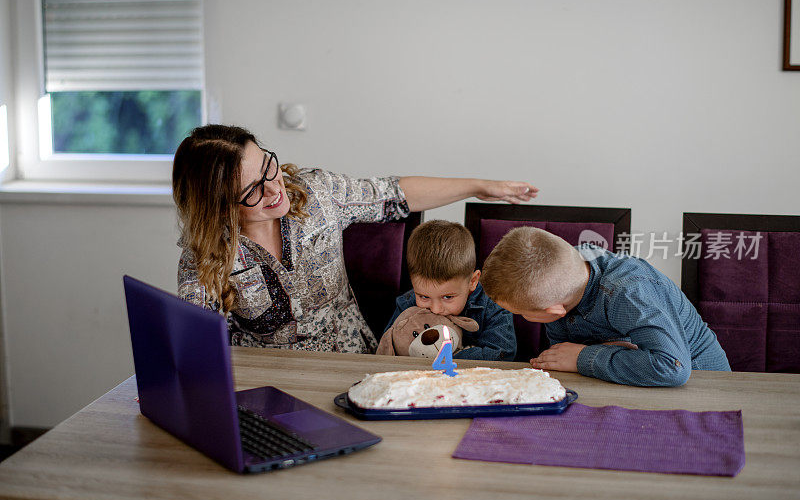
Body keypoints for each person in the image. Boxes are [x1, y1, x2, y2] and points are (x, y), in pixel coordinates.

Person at [172, 124, 537, 352]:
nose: (274, 189)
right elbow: (196, 343)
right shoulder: (207, 256)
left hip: (349, 363)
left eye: (269, 166)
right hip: (268, 377)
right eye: (253, 190)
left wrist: (478, 186)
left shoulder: (316, 193)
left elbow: (395, 194)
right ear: (219, 207)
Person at [480, 227, 730, 387]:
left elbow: (671, 368)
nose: (520, 318)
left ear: (555, 311)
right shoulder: (566, 272)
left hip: (702, 384)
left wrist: (582, 357)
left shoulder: (630, 293)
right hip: (624, 378)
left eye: (521, 314)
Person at [384, 220, 516, 361]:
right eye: (423, 296)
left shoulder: (493, 305)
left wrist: (443, 356)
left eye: (447, 297)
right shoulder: (407, 303)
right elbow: (388, 348)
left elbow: (502, 354)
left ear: (472, 281)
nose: (435, 309)